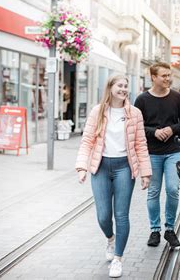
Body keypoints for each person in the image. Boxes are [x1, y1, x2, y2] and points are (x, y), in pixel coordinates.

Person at [75, 75, 151, 278]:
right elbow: (87, 141)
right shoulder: (97, 111)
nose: (124, 89)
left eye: (126, 86)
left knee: (121, 215)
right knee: (103, 215)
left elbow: (141, 144)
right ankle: (110, 238)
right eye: (120, 85)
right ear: (110, 87)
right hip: (100, 167)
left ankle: (118, 258)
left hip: (124, 168)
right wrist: (82, 166)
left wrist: (145, 172)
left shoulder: (134, 113)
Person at [134, 61, 180, 248]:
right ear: (153, 77)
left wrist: (171, 129)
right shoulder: (142, 100)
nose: (168, 79)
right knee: (153, 191)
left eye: (169, 75)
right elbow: (136, 125)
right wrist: (154, 132)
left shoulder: (176, 97)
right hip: (152, 153)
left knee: (173, 189)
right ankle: (155, 230)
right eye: (164, 76)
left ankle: (170, 229)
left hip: (173, 150)